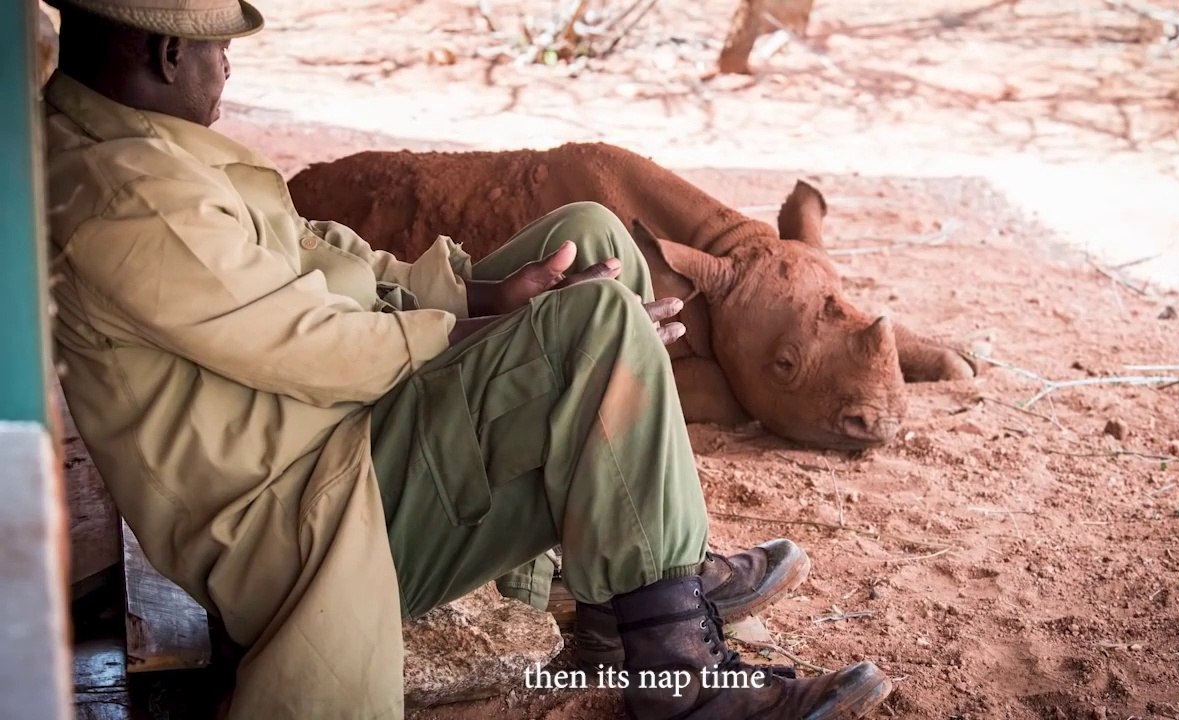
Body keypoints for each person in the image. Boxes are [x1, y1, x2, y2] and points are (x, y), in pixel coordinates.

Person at [42, 1, 892, 718]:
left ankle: (622, 591)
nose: (227, 67)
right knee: (593, 324)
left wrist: (492, 296)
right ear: (165, 50)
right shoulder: (132, 201)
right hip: (316, 510)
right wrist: (508, 333)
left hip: (338, 435)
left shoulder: (157, 151)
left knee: (588, 233)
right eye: (220, 49)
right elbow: (315, 347)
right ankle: (682, 680)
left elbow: (325, 261)